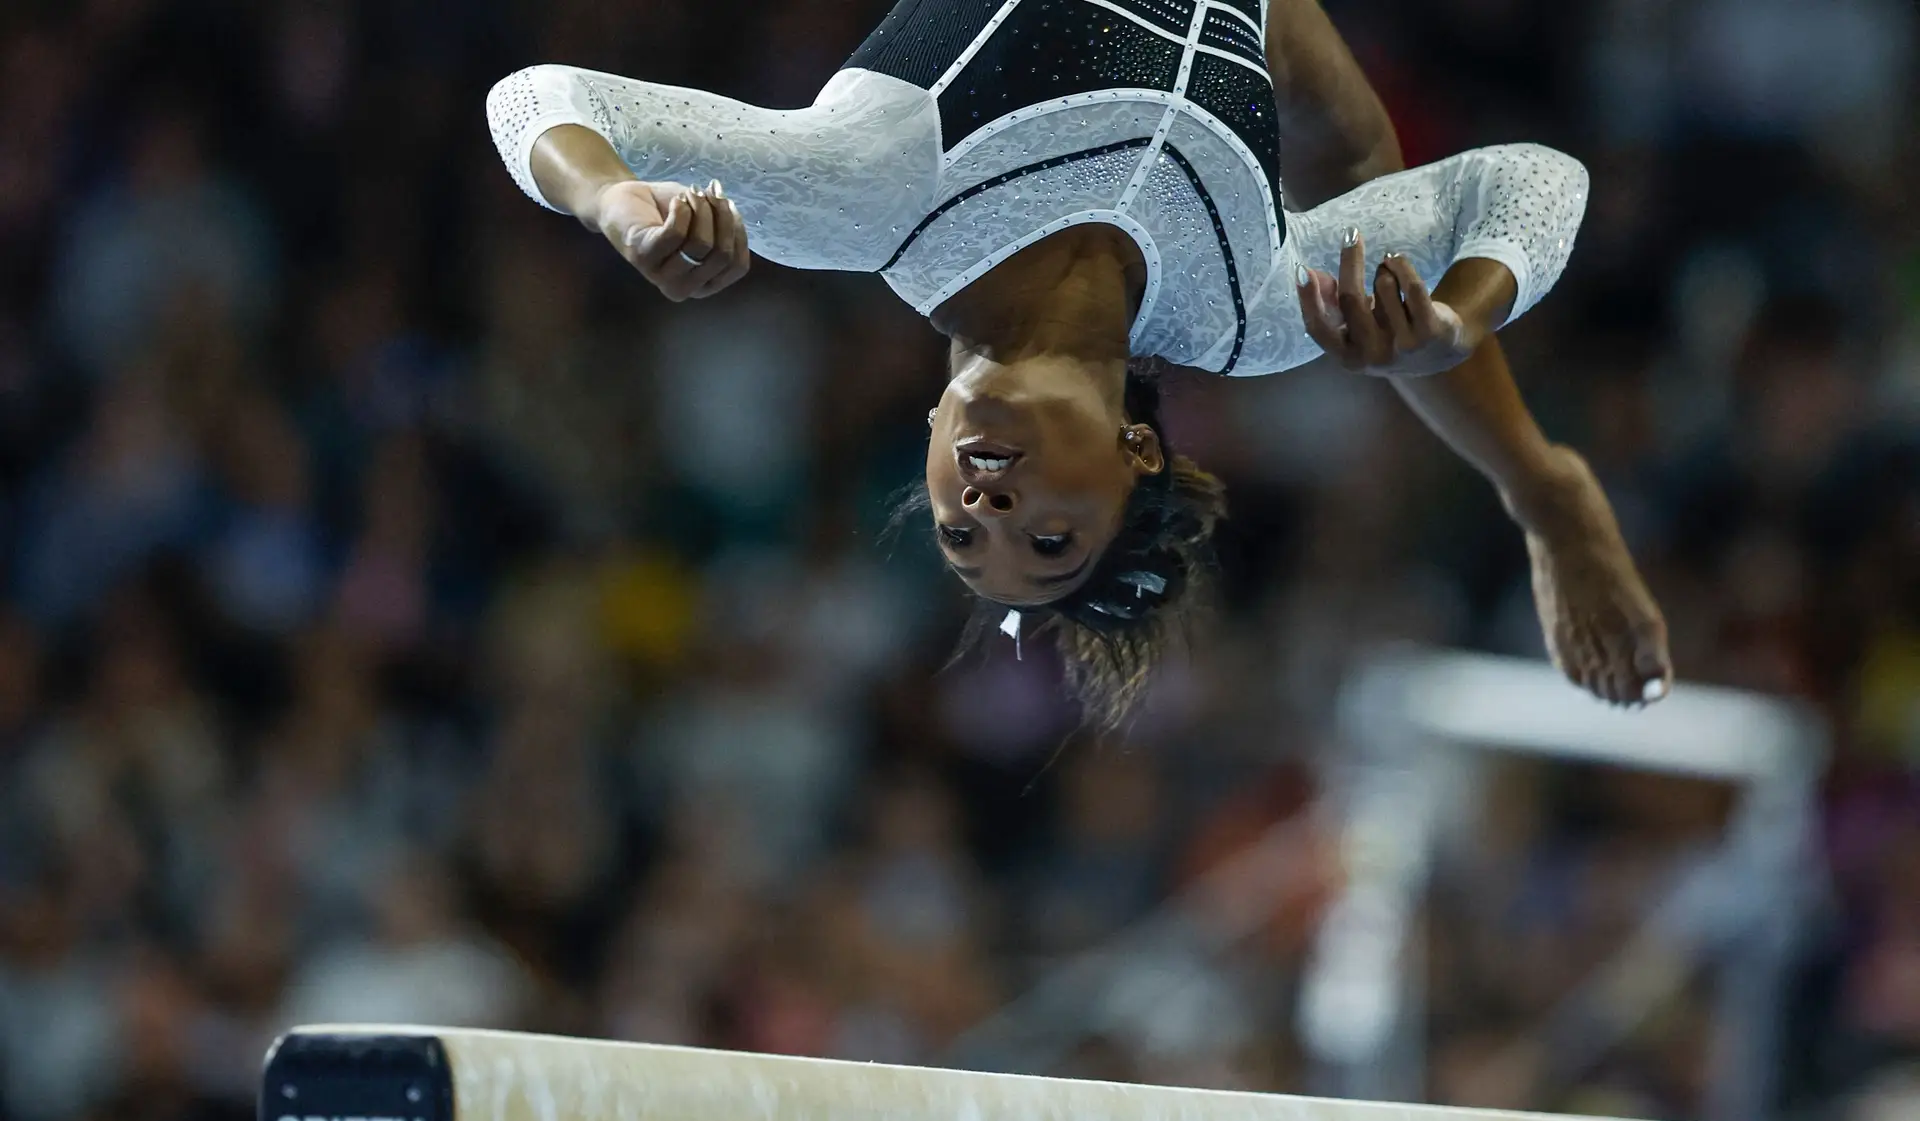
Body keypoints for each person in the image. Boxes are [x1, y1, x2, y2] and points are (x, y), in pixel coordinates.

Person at [485, 0, 1672, 724]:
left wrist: (619, 209)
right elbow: (1528, 181)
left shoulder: (867, 206)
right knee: (1356, 173)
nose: (992, 507)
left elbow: (537, 93)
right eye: (1047, 539)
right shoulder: (1243, 311)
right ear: (1140, 450)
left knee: (1352, 167)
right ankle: (1542, 484)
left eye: (961, 531)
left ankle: (1536, 485)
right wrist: (1458, 319)